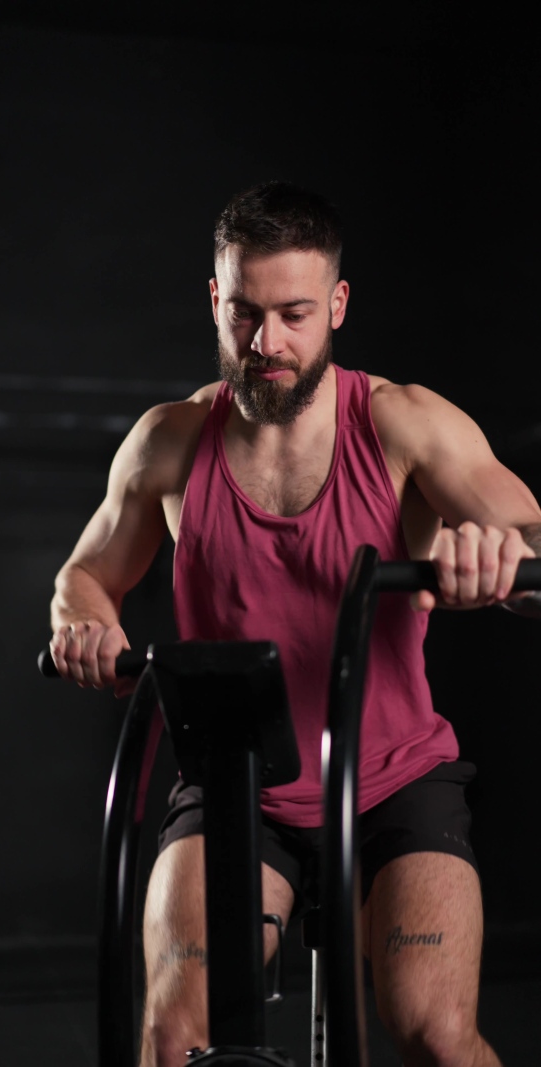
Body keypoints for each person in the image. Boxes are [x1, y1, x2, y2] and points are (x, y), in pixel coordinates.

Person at [49, 181, 541, 1067]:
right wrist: (85, 622)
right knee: (169, 1037)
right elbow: (86, 574)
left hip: (395, 782)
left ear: (338, 307)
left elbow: (536, 539)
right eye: (244, 313)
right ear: (214, 299)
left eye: (294, 314)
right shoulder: (169, 441)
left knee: (436, 1031)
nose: (266, 343)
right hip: (237, 787)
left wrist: (502, 564)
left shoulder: (402, 422)